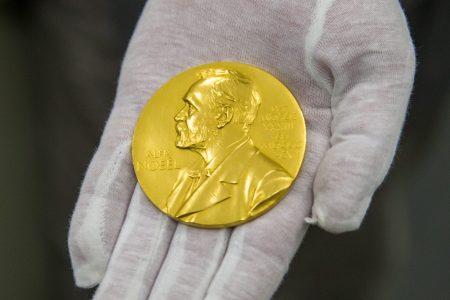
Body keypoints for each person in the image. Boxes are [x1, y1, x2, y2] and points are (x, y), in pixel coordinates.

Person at [165, 69, 293, 224]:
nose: (178, 116)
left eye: (191, 108)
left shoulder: (269, 183)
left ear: (223, 116)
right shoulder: (187, 176)